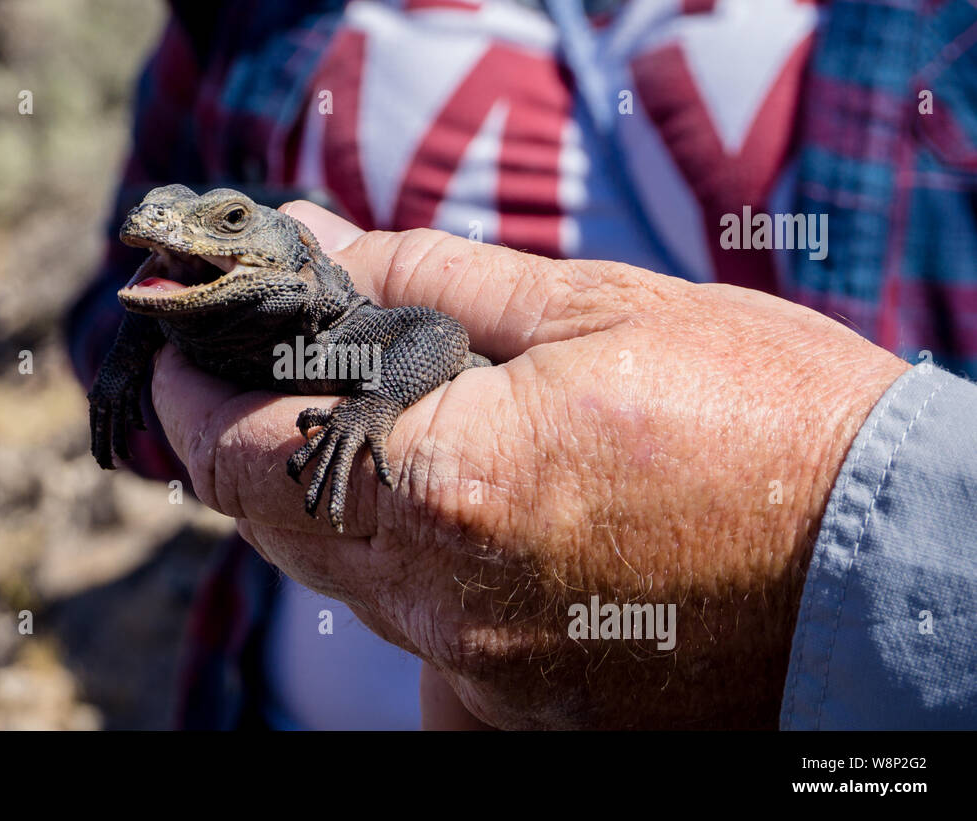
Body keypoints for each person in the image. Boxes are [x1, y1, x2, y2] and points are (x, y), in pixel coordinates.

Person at [65, 0, 977, 729]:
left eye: (225, 221)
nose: (183, 233)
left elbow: (430, 337)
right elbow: (134, 290)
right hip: (283, 698)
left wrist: (823, 552)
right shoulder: (253, 15)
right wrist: (138, 379)